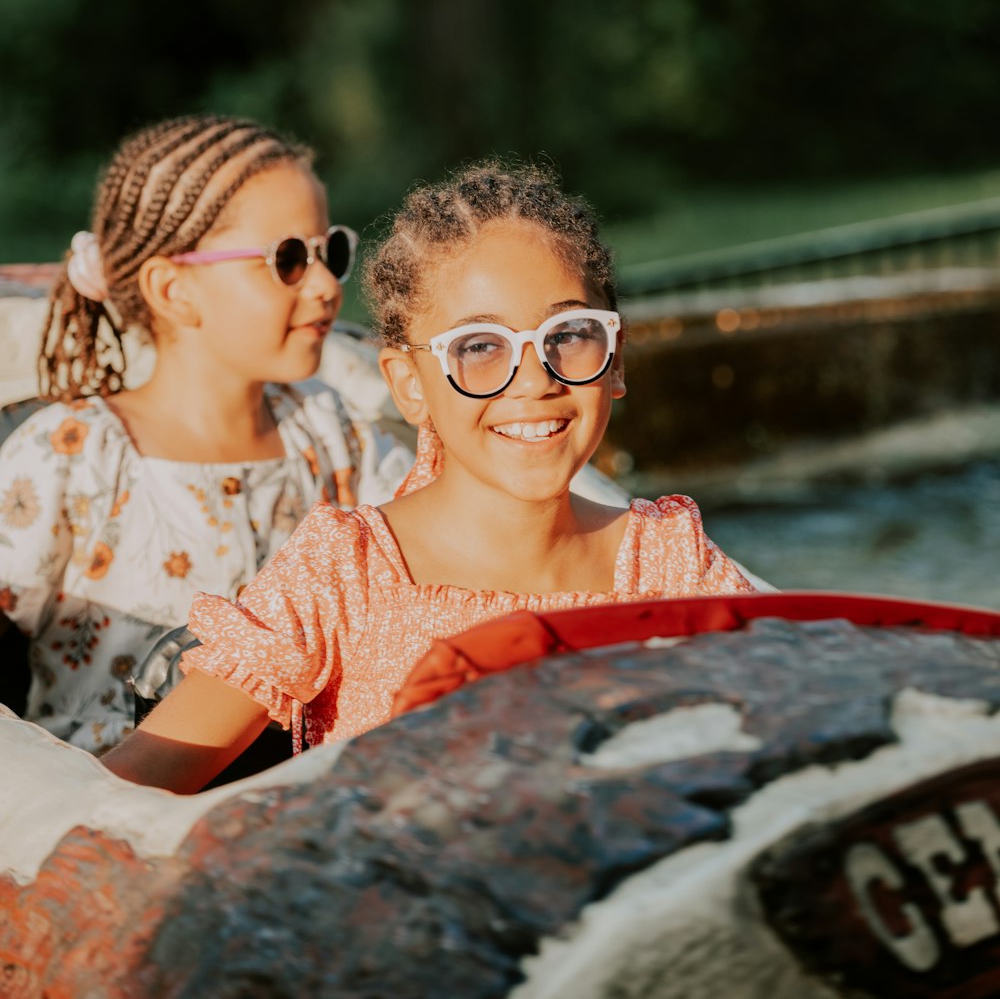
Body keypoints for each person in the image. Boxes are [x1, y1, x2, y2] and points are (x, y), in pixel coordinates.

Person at [102, 160, 757, 794]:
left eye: (570, 333)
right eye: (478, 347)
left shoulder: (670, 562)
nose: (536, 379)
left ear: (615, 362)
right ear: (409, 386)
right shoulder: (345, 573)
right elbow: (129, 790)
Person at [0, 114, 411, 753]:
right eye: (289, 260)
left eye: (329, 252)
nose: (329, 286)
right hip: (108, 810)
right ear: (172, 288)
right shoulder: (70, 454)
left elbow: (434, 536)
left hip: (300, 797)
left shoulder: (332, 435)